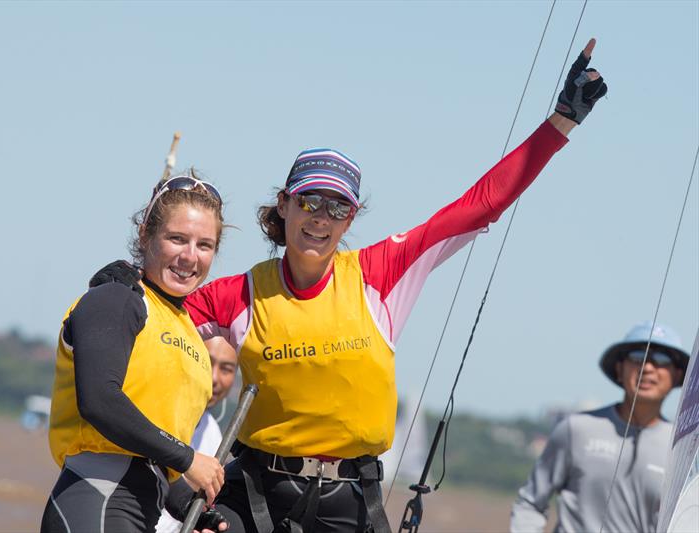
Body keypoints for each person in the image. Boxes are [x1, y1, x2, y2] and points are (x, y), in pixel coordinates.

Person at [92, 40, 608, 533]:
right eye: (310, 202)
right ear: (284, 206)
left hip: (351, 500)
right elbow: (155, 311)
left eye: (338, 208)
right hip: (256, 494)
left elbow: (482, 202)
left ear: (351, 218)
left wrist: (561, 121)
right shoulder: (239, 294)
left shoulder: (382, 273)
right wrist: (123, 283)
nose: (321, 218)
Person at [41, 170, 229, 533]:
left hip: (139, 509)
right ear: (146, 235)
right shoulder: (116, 297)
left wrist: (189, 507)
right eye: (177, 239)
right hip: (94, 501)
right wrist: (188, 458)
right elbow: (99, 401)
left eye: (204, 245)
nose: (190, 256)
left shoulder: (187, 330)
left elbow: (150, 460)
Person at [509, 321, 689, 533]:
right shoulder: (576, 429)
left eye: (661, 359)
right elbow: (530, 503)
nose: (647, 367)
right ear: (619, 369)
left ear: (677, 375)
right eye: (637, 357)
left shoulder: (682, 450)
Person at [157, 337, 240, 533]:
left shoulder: (214, 436)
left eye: (226, 369)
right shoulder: (155, 413)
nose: (213, 377)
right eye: (206, 361)